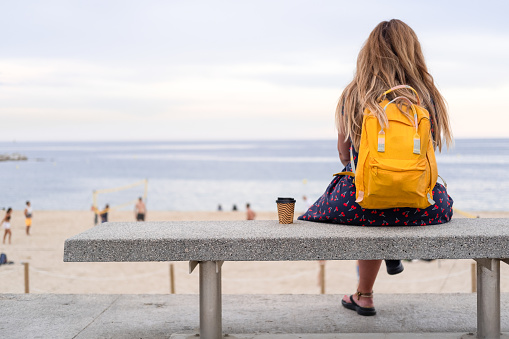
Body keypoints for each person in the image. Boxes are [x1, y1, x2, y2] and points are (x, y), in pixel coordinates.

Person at [298, 19, 453, 316]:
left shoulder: (354, 94)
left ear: (369, 53)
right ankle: (388, 256)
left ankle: (364, 295)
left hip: (359, 204)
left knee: (366, 198)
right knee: (395, 199)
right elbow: (427, 156)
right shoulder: (427, 95)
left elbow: (345, 156)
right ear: (413, 52)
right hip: (422, 204)